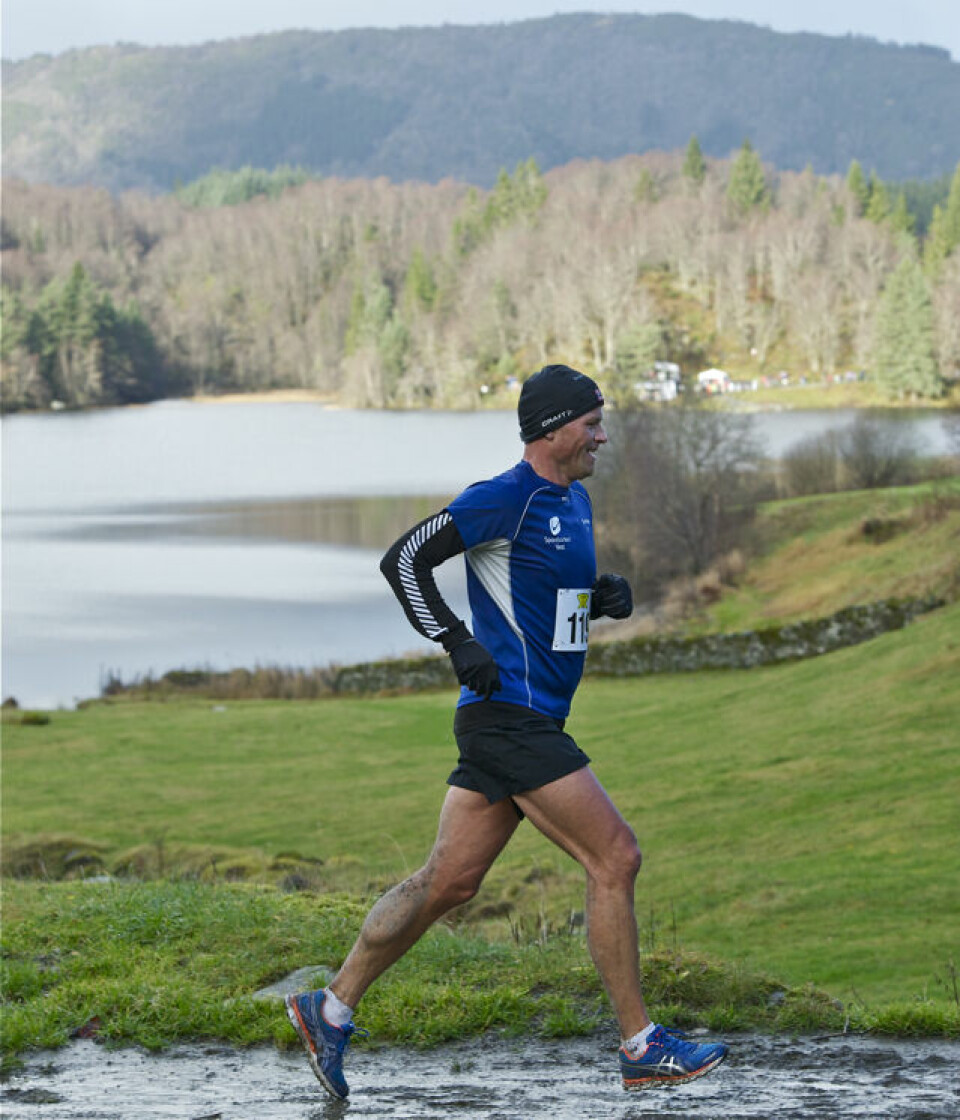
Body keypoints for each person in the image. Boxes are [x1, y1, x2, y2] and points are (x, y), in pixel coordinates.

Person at [285, 364, 728, 1098]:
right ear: (553, 428)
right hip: (509, 716)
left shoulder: (573, 502)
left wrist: (601, 596)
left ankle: (328, 1009)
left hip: (527, 719)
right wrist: (457, 641)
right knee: (615, 857)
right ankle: (641, 1046)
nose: (601, 434)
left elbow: (545, 592)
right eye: (591, 423)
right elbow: (405, 559)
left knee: (446, 884)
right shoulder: (504, 497)